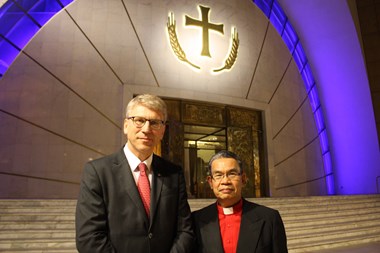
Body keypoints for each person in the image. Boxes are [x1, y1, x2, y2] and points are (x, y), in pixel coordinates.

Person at [75, 94, 194, 253]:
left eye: (155, 123)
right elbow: (89, 237)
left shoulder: (174, 173)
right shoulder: (97, 172)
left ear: (163, 130)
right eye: (139, 120)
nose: (146, 129)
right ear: (126, 125)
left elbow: (185, 229)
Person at [192, 150, 288, 253]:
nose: (225, 181)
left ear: (243, 179)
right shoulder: (196, 220)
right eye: (218, 175)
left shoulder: (269, 218)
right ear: (211, 182)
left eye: (232, 174)